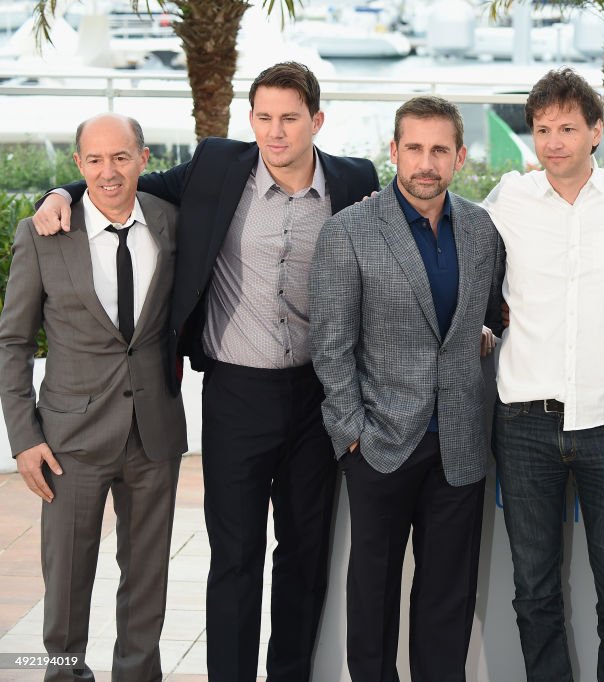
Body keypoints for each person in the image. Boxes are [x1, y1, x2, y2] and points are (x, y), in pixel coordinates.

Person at [31, 62, 379, 681]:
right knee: (236, 558)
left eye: (290, 118)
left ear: (316, 121)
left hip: (316, 397)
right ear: (251, 120)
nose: (275, 131)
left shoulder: (355, 181)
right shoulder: (219, 165)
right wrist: (60, 193)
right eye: (264, 117)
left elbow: (399, 244)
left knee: (304, 556)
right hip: (235, 394)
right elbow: (123, 179)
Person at [481, 67, 604, 681]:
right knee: (533, 592)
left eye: (567, 127)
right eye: (542, 129)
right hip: (523, 421)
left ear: (596, 132)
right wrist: (483, 323)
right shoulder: (509, 197)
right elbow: (453, 245)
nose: (554, 141)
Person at [309, 95, 504, 681]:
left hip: (460, 444)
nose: (426, 162)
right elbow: (330, 342)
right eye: (414, 148)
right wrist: (352, 435)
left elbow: (493, 310)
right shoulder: (350, 231)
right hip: (380, 443)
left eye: (439, 150)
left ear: (460, 157)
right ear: (393, 152)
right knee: (372, 596)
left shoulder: (480, 227)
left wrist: (486, 329)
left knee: (448, 598)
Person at [0, 114, 187, 681]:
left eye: (122, 157)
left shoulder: (172, 223)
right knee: (67, 582)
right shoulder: (43, 234)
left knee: (148, 577)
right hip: (69, 440)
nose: (110, 172)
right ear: (78, 165)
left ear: (144, 159)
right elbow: (12, 340)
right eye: (96, 160)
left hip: (153, 433)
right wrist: (24, 438)